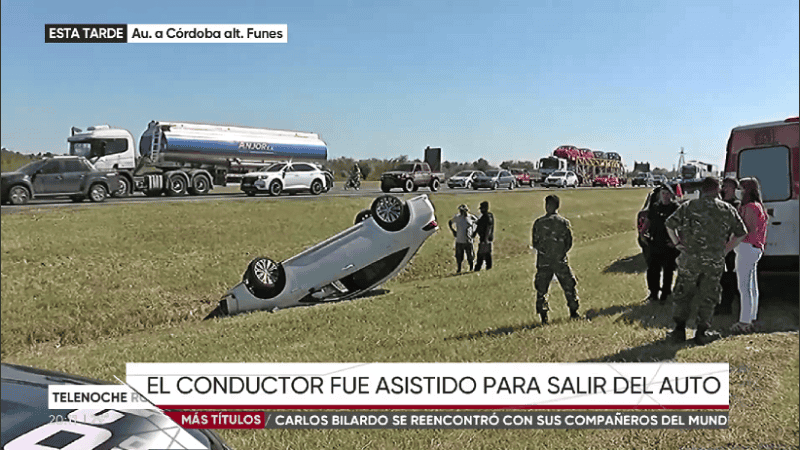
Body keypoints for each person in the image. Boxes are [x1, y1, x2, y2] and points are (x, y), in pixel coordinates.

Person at [665, 177, 747, 345]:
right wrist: (726, 249)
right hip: (714, 261)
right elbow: (741, 233)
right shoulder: (727, 209)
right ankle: (702, 332)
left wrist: (677, 243)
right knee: (709, 295)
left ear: (702, 189)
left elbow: (669, 224)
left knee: (683, 294)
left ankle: (679, 331)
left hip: (690, 259)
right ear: (718, 189)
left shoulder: (689, 206)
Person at [532, 195, 580, 324]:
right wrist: (560, 252)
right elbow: (569, 242)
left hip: (544, 262)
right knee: (569, 286)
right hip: (560, 260)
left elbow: (535, 242)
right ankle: (574, 312)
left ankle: (543, 316)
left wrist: (545, 252)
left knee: (542, 290)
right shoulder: (563, 223)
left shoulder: (539, 223)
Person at [731, 177, 768, 334]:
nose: (738, 191)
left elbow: (747, 230)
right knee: (752, 286)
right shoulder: (758, 206)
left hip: (747, 247)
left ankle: (744, 322)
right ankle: (751, 317)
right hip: (754, 248)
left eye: (741, 188)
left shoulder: (751, 207)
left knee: (744, 287)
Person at [645, 184, 680, 303]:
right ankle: (653, 293)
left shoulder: (676, 208)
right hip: (655, 242)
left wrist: (675, 241)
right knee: (653, 270)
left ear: (672, 195)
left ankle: (665, 294)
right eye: (663, 193)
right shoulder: (655, 207)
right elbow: (648, 220)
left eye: (668, 194)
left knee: (668, 271)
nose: (665, 196)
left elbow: (681, 226)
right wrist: (643, 232)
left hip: (668, 244)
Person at [716, 177, 741, 315]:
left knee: (729, 276)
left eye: (727, 187)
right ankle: (720, 303)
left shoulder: (737, 205)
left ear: (734, 189)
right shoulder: (719, 204)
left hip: (731, 246)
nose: (724, 189)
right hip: (718, 244)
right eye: (723, 186)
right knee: (720, 276)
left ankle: (727, 305)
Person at [448, 204, 477, 273]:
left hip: (468, 240)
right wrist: (453, 231)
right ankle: (459, 269)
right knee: (459, 256)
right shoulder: (457, 217)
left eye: (463, 211)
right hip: (459, 240)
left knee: (470, 256)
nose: (461, 212)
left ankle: (471, 267)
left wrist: (474, 232)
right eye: (460, 210)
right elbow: (450, 222)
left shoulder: (471, 217)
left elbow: (478, 222)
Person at [472, 201, 494, 271]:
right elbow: (479, 225)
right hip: (484, 239)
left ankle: (480, 267)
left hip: (485, 239)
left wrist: (485, 239)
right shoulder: (485, 217)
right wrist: (475, 233)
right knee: (485, 253)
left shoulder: (487, 217)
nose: (481, 210)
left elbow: (488, 228)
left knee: (482, 254)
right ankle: (486, 267)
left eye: (482, 208)